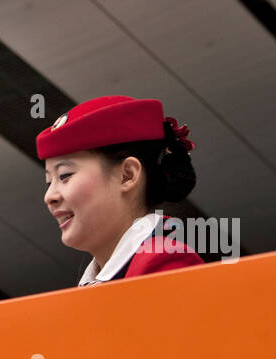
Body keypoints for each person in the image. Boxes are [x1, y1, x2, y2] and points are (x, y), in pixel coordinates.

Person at [38, 95, 203, 286]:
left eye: (65, 175)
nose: (49, 197)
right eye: (49, 182)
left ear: (127, 175)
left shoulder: (163, 265)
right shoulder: (106, 277)